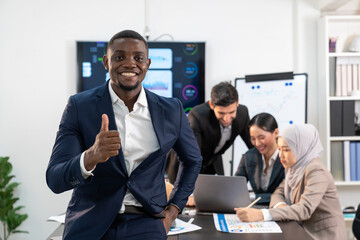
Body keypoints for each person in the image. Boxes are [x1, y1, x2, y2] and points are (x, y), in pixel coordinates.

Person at [46, 30, 202, 240]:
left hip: (147, 222)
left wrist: (173, 210)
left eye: (138, 58)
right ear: (105, 62)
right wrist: (90, 157)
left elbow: (192, 160)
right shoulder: (79, 106)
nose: (130, 64)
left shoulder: (171, 110)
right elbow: (55, 179)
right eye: (119, 57)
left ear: (147, 63)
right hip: (90, 223)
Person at [235, 124, 346, 240]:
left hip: (322, 235)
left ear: (302, 147)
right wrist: (280, 205)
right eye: (279, 149)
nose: (281, 155)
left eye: (286, 150)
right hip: (301, 230)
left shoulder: (316, 171)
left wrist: (262, 214)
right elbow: (279, 192)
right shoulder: (294, 168)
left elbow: (305, 209)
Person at [166, 81, 252, 184]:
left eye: (231, 112)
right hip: (181, 163)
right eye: (221, 113)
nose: (227, 118)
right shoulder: (197, 116)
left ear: (237, 103)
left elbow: (252, 144)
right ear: (211, 105)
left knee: (217, 194)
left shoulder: (242, 114)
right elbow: (191, 156)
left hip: (211, 161)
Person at [235, 112, 284, 204]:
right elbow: (236, 186)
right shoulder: (248, 157)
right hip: (255, 210)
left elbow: (286, 194)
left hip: (280, 211)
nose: (257, 143)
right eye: (253, 138)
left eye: (261, 137)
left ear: (276, 133)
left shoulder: (287, 157)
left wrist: (252, 197)